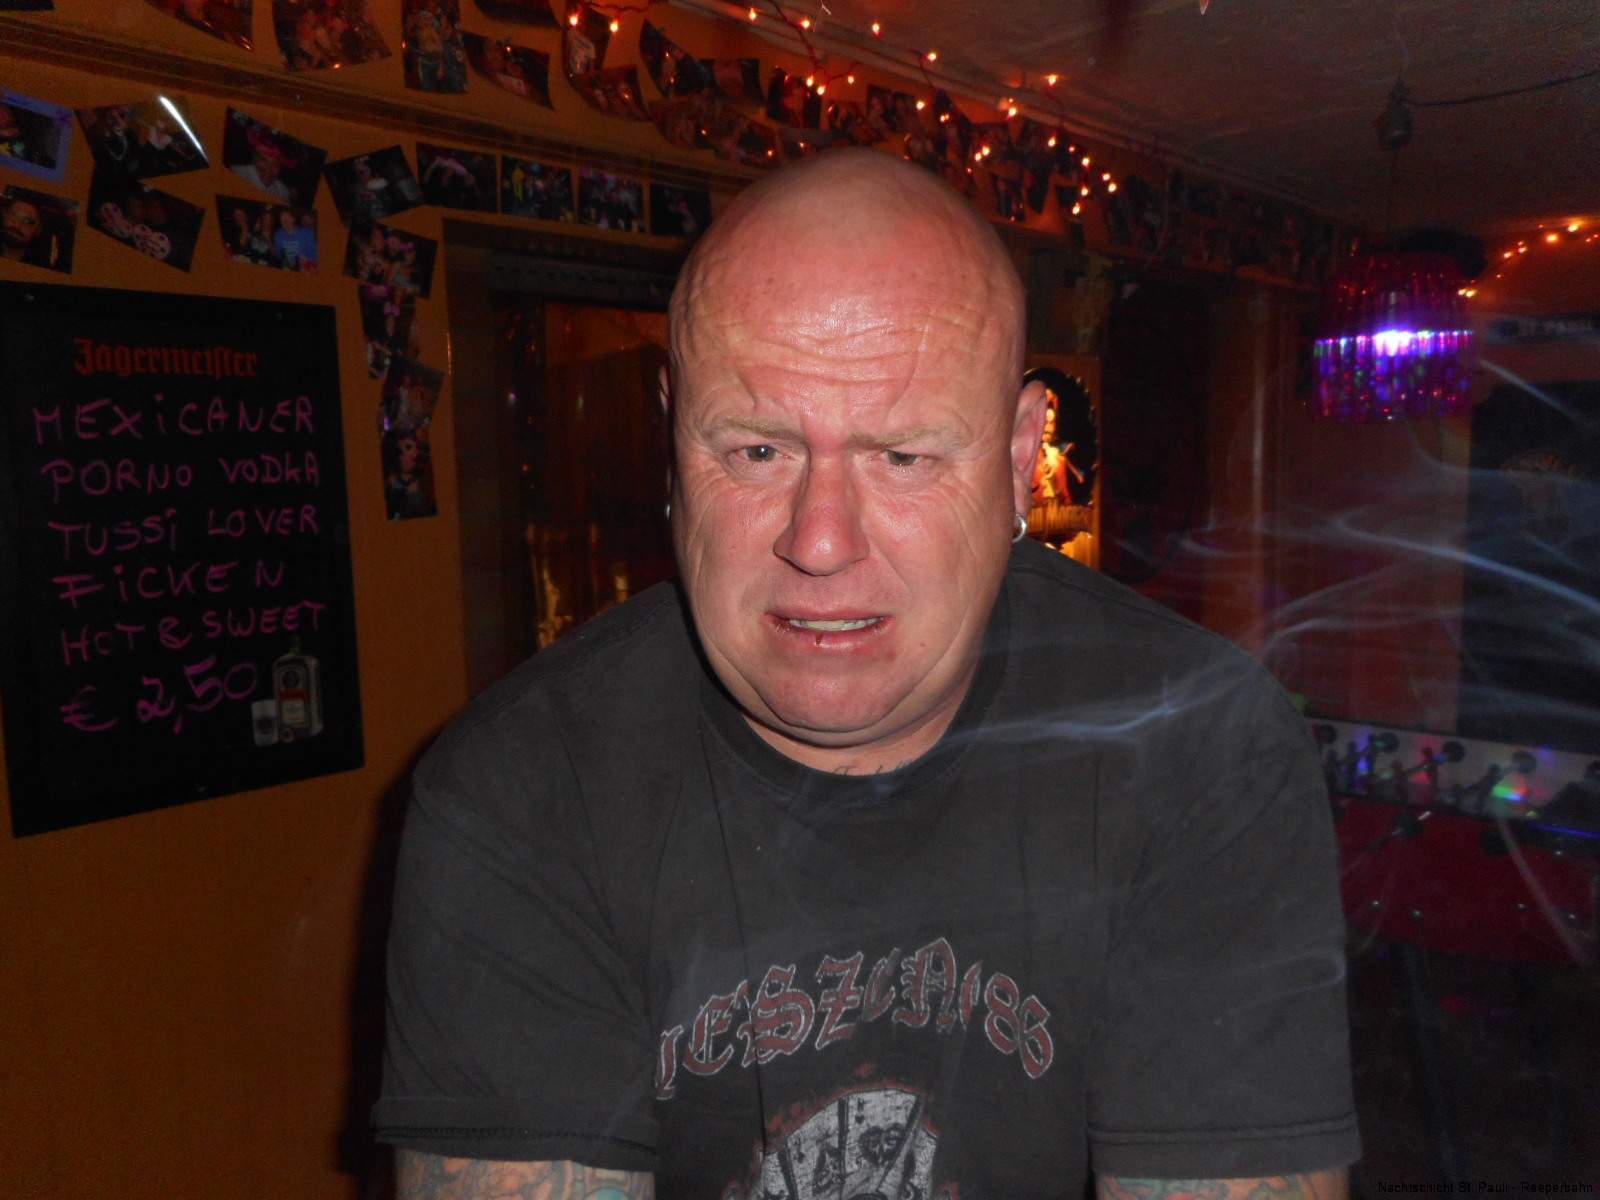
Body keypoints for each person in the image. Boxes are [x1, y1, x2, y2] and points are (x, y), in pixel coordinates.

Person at [374, 150, 1359, 1199]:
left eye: (902, 456)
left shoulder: (1201, 749)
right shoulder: (525, 787)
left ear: (1018, 458)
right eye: (756, 451)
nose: (821, 542)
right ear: (671, 441)